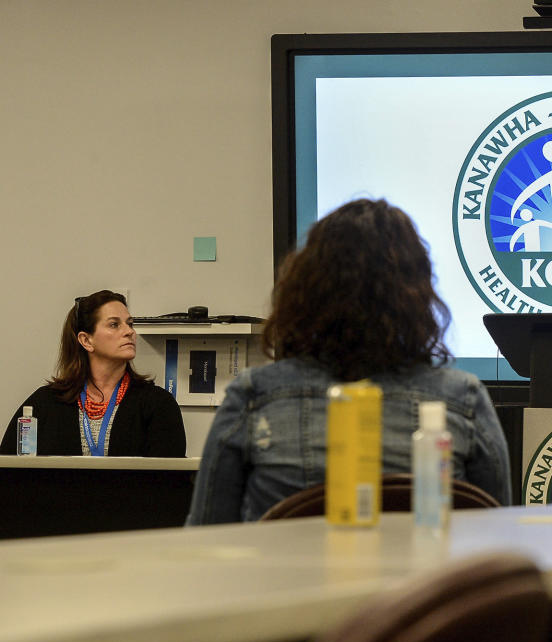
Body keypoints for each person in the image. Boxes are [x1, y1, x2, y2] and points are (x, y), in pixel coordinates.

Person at [186, 199, 511, 524]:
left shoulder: (255, 397)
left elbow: (205, 537)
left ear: (304, 291)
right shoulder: (463, 400)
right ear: (418, 298)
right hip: (426, 575)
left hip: (292, 576)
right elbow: (498, 543)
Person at [1, 290, 187, 456]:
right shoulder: (44, 404)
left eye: (129, 324)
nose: (129, 331)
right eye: (114, 324)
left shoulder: (158, 404)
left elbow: (168, 483)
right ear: (86, 340)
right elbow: (11, 474)